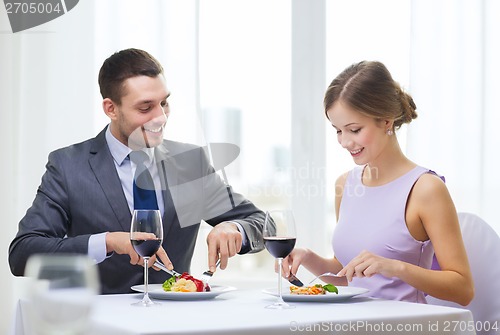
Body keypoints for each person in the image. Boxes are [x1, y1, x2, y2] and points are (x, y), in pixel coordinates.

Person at [9, 48, 266, 294]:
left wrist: (234, 227)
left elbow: (263, 224)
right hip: (98, 324)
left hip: (175, 322)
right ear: (111, 109)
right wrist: (108, 241)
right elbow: (23, 253)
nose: (161, 117)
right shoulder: (68, 165)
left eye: (164, 103)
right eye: (145, 108)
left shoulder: (190, 164)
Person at [283, 61, 474, 305]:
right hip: (353, 325)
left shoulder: (425, 189)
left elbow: (463, 289)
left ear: (386, 121)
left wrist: (396, 268)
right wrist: (308, 258)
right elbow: (348, 276)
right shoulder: (345, 185)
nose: (344, 142)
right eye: (338, 130)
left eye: (354, 129)